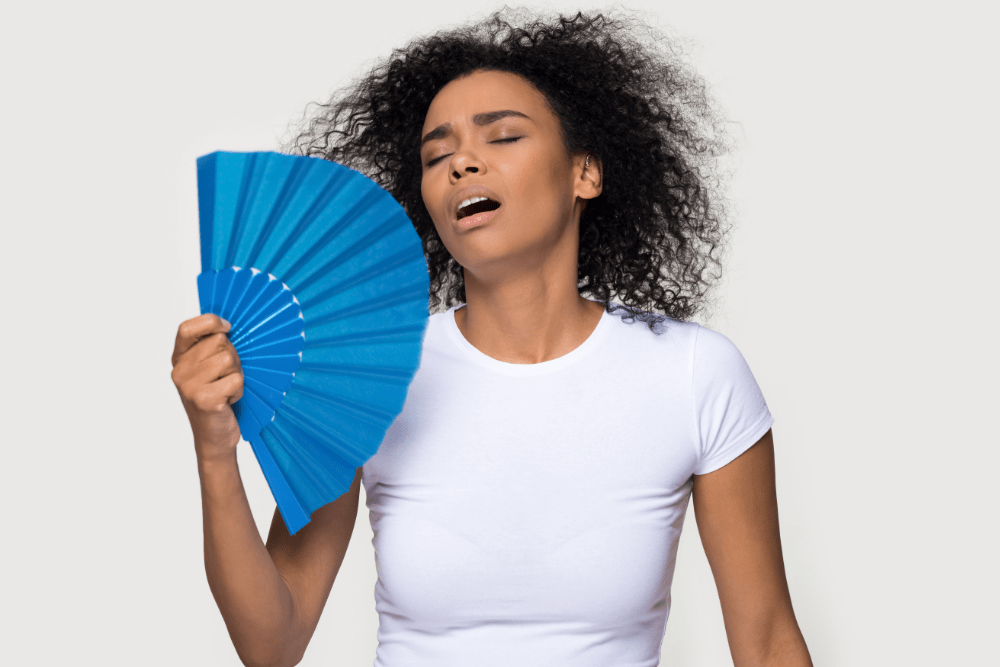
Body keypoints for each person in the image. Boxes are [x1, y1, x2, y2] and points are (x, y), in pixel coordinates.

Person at [170, 9, 813, 667]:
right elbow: (271, 643)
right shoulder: (367, 372)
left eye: (503, 136)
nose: (462, 164)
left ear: (584, 174)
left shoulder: (693, 373)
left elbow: (765, 641)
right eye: (436, 155)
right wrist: (215, 451)